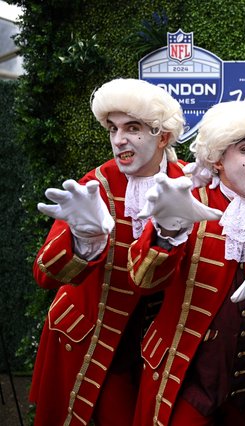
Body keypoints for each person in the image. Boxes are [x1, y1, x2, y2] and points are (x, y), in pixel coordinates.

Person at [127, 99, 245, 426]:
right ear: (217, 160)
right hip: (186, 382)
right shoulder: (187, 202)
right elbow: (141, 280)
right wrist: (166, 231)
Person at [30, 78, 186, 425]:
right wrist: (83, 240)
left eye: (133, 128)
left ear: (162, 137)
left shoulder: (187, 185)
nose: (119, 140)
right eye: (113, 128)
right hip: (94, 341)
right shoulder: (94, 185)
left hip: (162, 346)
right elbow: (45, 276)